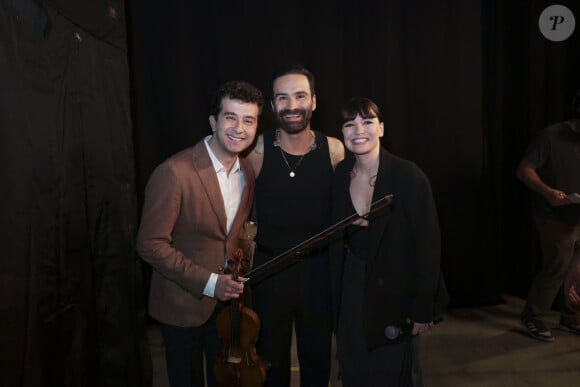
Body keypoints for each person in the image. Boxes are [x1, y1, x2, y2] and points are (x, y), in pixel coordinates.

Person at [136, 80, 264, 387]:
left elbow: (229, 236)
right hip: (181, 306)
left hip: (227, 309)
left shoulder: (246, 170)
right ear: (212, 121)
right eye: (230, 117)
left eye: (249, 120)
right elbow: (149, 244)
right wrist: (209, 283)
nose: (239, 128)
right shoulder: (174, 172)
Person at [328, 97, 448, 386]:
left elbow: (428, 248)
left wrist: (422, 308)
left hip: (397, 292)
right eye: (349, 124)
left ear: (381, 128)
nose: (359, 130)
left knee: (393, 374)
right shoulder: (340, 175)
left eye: (367, 122)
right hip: (352, 288)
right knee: (354, 368)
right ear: (342, 133)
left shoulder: (409, 176)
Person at [245, 64, 344, 386]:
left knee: (317, 362)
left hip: (319, 274)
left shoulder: (334, 150)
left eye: (300, 96)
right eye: (282, 98)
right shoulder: (256, 151)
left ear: (314, 101)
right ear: (273, 106)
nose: (291, 106)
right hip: (269, 271)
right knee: (270, 365)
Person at [517, 89, 580, 342]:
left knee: (578, 270)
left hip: (579, 213)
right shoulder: (551, 136)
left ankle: (571, 316)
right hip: (554, 213)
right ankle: (532, 315)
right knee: (558, 264)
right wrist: (548, 192)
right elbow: (524, 170)